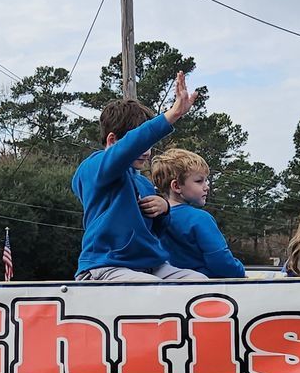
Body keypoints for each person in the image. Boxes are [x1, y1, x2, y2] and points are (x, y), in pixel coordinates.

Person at [73, 72, 203, 281]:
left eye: (150, 146)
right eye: (142, 145)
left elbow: (156, 231)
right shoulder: (94, 168)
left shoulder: (143, 183)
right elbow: (130, 145)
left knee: (199, 283)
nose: (147, 151)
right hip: (105, 266)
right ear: (113, 140)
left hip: (150, 266)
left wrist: (164, 209)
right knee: (150, 288)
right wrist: (173, 114)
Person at [148, 148, 244, 279]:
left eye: (206, 180)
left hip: (169, 285)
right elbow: (221, 261)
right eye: (199, 181)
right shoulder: (200, 218)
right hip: (203, 288)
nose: (206, 186)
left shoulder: (154, 218)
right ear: (176, 186)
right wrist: (240, 271)